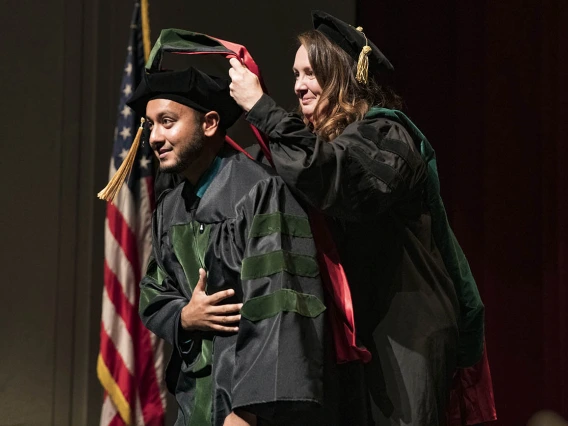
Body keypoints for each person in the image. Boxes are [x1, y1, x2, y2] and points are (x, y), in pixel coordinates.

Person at [228, 9, 490, 426]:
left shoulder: (389, 136)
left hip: (405, 330)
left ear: (344, 77)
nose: (298, 86)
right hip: (348, 337)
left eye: (311, 74)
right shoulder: (310, 144)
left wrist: (261, 107)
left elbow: (337, 178)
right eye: (295, 75)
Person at [129, 65, 330, 426]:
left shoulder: (259, 191)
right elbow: (153, 290)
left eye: (167, 122)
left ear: (209, 123)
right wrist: (183, 316)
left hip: (251, 403)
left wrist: (247, 409)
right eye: (151, 124)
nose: (154, 137)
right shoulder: (170, 208)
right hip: (195, 396)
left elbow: (279, 301)